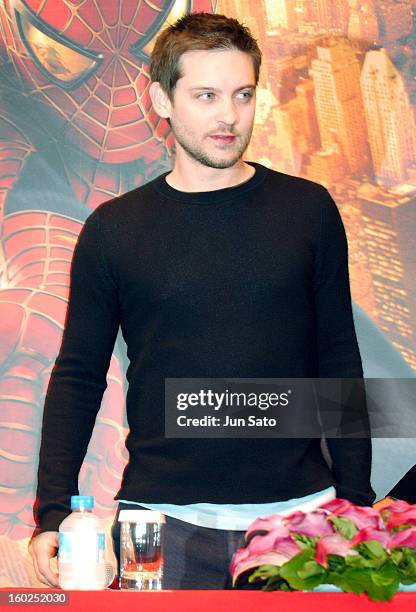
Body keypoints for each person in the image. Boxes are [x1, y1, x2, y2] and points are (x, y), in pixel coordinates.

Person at [29, 12, 375, 590]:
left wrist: (357, 501)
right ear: (161, 99)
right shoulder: (114, 229)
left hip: (300, 522)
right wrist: (52, 513)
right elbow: (78, 375)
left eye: (243, 95)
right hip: (158, 525)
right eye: (206, 95)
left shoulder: (308, 211)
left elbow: (339, 361)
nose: (228, 116)